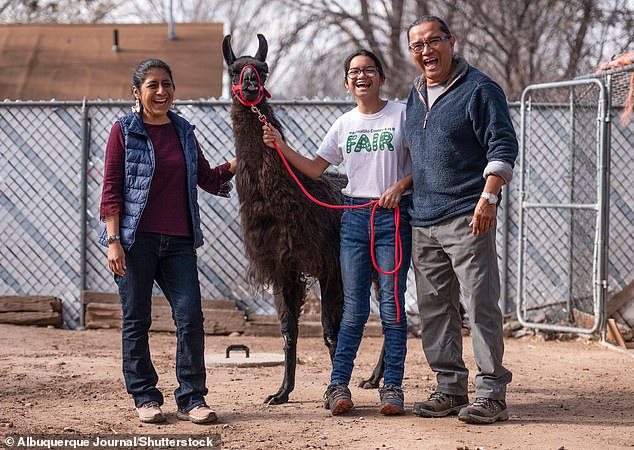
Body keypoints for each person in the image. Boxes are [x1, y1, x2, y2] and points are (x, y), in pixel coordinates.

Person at [262, 50, 413, 416]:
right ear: (347, 82)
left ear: (381, 77)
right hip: (354, 220)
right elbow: (315, 169)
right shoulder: (344, 124)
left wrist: (401, 185)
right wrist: (281, 147)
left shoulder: (402, 114)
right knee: (354, 310)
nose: (361, 76)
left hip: (392, 219)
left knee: (392, 309)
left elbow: (425, 163)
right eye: (354, 72)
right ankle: (337, 385)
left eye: (369, 70)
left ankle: (392, 387)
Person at [99, 58, 236, 425]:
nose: (161, 92)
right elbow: (111, 190)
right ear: (137, 93)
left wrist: (244, 159)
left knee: (190, 315)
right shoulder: (124, 131)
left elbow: (206, 177)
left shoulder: (184, 131)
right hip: (134, 241)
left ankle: (192, 399)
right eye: (153, 86)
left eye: (167, 84)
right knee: (137, 319)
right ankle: (144, 396)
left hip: (178, 242)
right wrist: (114, 240)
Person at [404, 16, 517, 424]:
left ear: (452, 42)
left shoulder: (480, 89)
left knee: (481, 304)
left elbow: (502, 145)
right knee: (434, 309)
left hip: (469, 216)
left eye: (434, 42)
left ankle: (491, 394)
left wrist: (489, 197)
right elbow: (420, 158)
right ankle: (449, 387)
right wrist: (403, 187)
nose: (426, 51)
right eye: (417, 46)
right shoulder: (414, 94)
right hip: (423, 218)